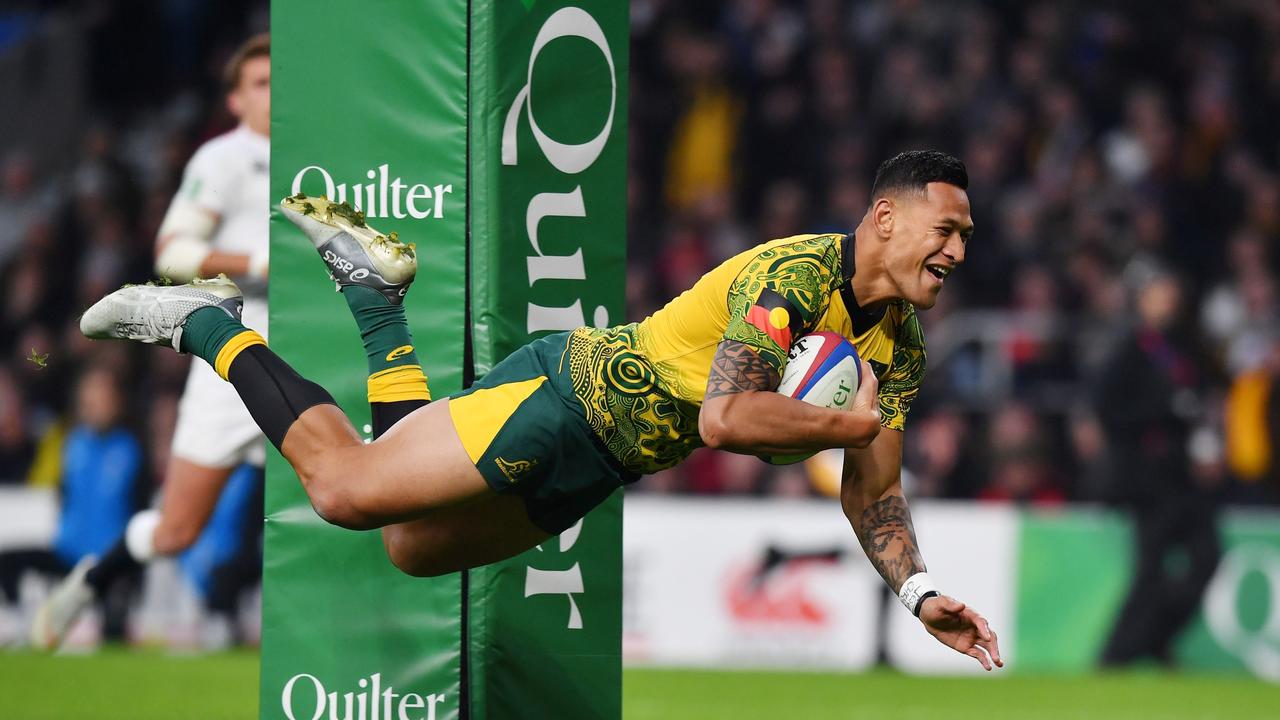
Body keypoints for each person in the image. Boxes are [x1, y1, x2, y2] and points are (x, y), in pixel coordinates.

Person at [75, 150, 1003, 669]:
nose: (960, 250)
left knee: (408, 545)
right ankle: (208, 323)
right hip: (564, 396)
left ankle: (376, 302)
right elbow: (727, 419)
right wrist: (850, 425)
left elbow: (871, 492)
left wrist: (919, 592)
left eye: (967, 235)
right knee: (345, 490)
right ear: (885, 217)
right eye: (947, 228)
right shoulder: (795, 274)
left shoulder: (902, 349)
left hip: (602, 464)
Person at [32, 34, 271, 649]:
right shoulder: (221, 159)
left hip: (312, 360)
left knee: (354, 497)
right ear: (236, 99)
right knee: (176, 531)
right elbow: (172, 252)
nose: (273, 96)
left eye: (281, 84)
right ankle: (94, 579)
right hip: (231, 362)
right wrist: (257, 258)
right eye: (260, 85)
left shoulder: (322, 158)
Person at [1095, 270, 1221, 666]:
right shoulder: (1129, 349)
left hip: (1185, 477)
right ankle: (1115, 656)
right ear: (1143, 299)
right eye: (1160, 292)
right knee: (1150, 571)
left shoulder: (1186, 345)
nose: (1168, 299)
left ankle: (1153, 639)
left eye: (1171, 292)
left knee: (1207, 557)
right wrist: (1163, 412)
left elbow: (1206, 394)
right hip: (1147, 480)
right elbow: (1108, 407)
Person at [0, 366, 143, 643]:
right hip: (68, 554)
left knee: (113, 630)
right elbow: (57, 491)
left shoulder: (131, 448)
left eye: (100, 395)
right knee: (7, 562)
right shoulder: (70, 443)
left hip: (110, 561)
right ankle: (18, 621)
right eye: (88, 395)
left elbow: (139, 508)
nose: (93, 402)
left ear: (117, 401)